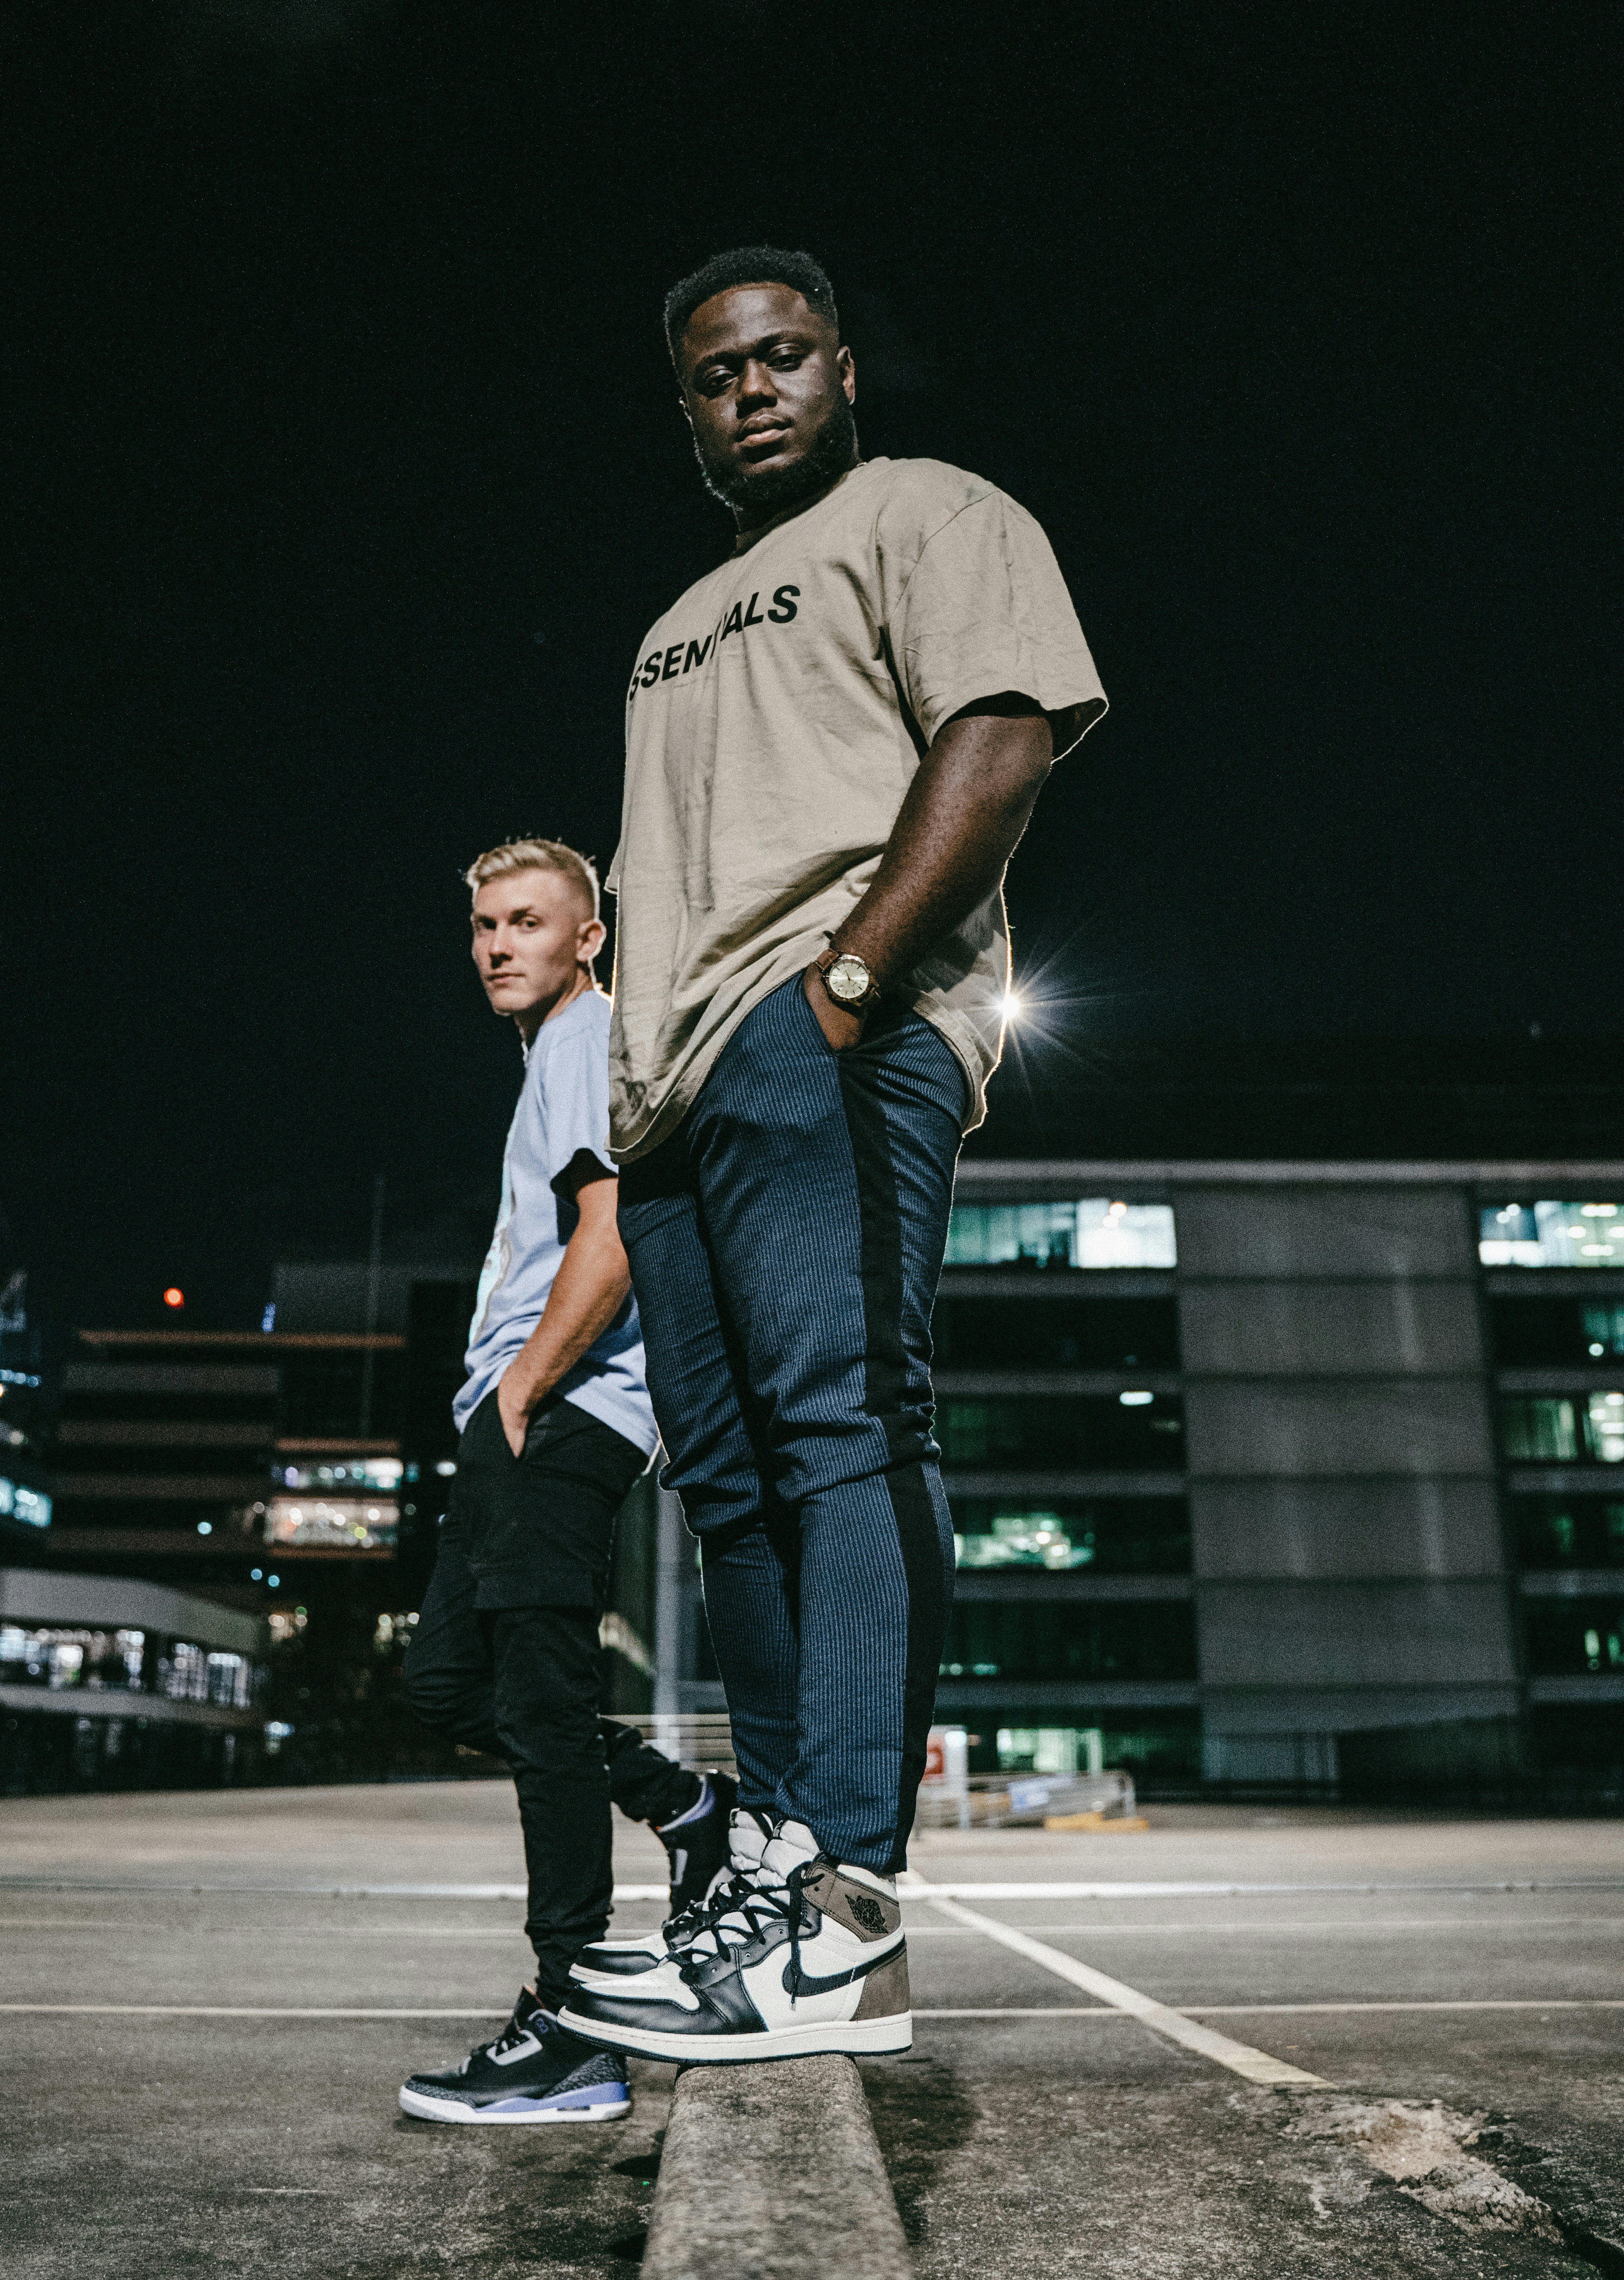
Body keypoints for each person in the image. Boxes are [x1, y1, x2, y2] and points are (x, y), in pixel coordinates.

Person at [558, 248, 1106, 2064]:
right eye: (715, 376)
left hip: (825, 1037)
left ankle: (845, 1905)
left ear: (847, 366)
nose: (752, 390)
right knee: (730, 1498)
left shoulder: (928, 509)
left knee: (846, 1426)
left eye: (782, 355)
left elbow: (1005, 730)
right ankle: (769, 1895)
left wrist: (849, 988)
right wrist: (629, 1116)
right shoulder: (661, 629)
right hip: (674, 1102)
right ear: (688, 417)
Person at [398, 837, 734, 2124]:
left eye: (526, 921)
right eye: (484, 923)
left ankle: (573, 2030)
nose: (496, 944)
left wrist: (528, 1390)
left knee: (540, 1704)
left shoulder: (590, 1041)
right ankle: (685, 1809)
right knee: (448, 1685)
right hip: (515, 1418)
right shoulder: (554, 1058)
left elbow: (612, 1241)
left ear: (587, 937)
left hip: (566, 1414)